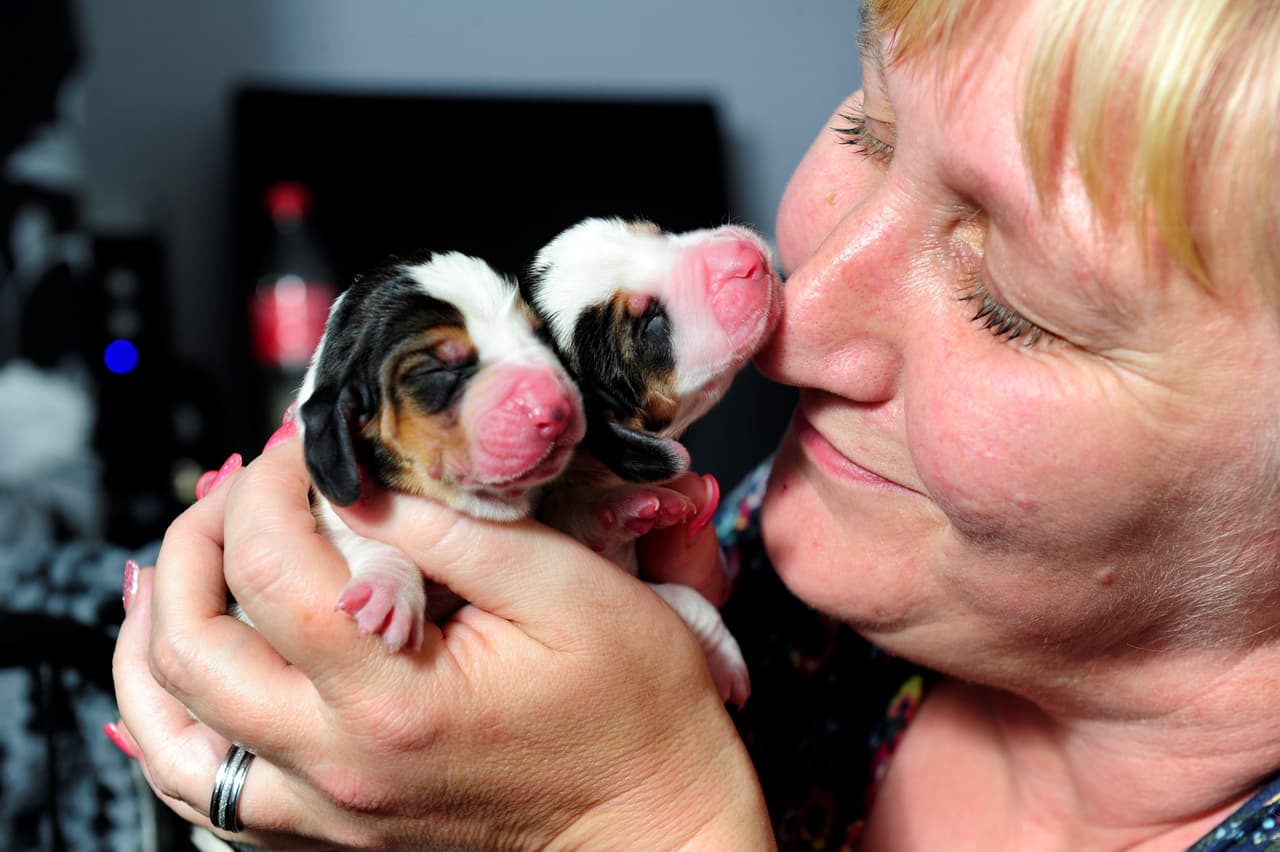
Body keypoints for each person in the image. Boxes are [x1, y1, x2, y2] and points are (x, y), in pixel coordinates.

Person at [111, 0, 1280, 847]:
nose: (793, 314)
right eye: (867, 131)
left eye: (1011, 308)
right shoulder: (822, 567)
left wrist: (641, 817)